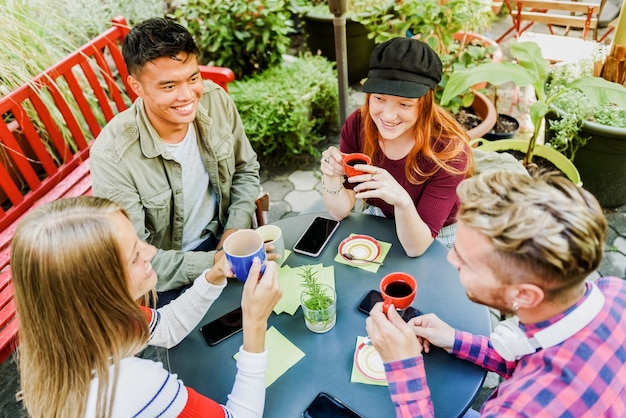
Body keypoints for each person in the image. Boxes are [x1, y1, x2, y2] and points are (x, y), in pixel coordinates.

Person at [365, 171, 626, 417]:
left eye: (466, 262)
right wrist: (453, 339)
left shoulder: (521, 408)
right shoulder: (613, 290)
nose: (450, 259)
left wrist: (404, 365)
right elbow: (528, 351)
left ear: (524, 295)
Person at [10, 196, 282, 417]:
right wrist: (255, 323)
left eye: (139, 241)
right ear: (99, 288)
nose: (150, 251)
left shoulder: (73, 326)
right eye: (134, 256)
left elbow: (167, 328)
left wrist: (214, 275)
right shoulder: (132, 387)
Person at [90, 17, 262, 294]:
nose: (187, 95)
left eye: (193, 78)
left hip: (224, 240)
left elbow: (245, 168)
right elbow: (132, 258)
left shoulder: (214, 98)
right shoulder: (112, 158)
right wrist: (215, 262)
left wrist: (233, 231)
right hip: (164, 277)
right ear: (136, 87)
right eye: (169, 86)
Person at [320, 37, 473, 254]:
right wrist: (331, 175)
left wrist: (401, 200)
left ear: (425, 105)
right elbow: (340, 211)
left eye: (404, 104)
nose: (388, 116)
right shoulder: (358, 123)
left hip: (434, 233)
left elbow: (415, 248)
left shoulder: (449, 151)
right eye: (379, 99)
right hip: (381, 216)